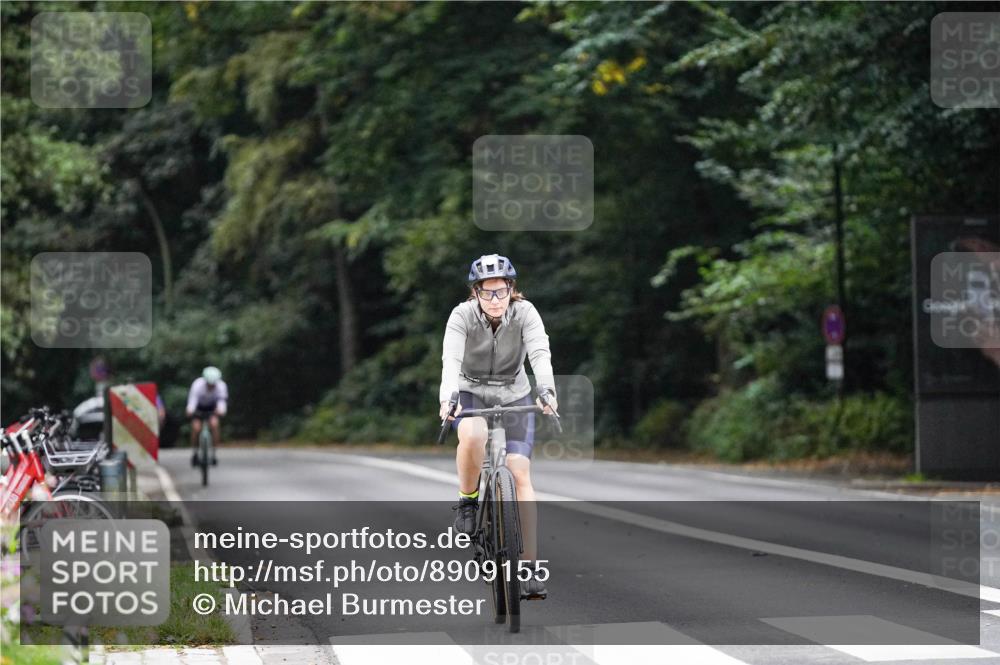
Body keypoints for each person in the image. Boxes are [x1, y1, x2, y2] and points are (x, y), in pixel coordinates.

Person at [439, 253, 557, 600]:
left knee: (519, 471)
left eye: (501, 291)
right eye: (487, 292)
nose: (495, 300)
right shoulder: (461, 316)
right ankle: (467, 500)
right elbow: (451, 361)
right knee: (473, 434)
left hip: (514, 392)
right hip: (470, 390)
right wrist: (449, 398)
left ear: (511, 289)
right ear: (475, 292)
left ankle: (531, 567)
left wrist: (547, 389)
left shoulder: (526, 313)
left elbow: (539, 352)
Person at [186, 366, 228, 466]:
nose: (211, 386)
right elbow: (193, 400)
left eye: (213, 384)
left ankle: (214, 453)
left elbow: (221, 401)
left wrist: (221, 411)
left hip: (212, 408)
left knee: (214, 425)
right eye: (209, 384)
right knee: (196, 428)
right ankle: (195, 452)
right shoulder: (197, 385)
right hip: (199, 408)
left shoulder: (221, 386)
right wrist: (190, 410)